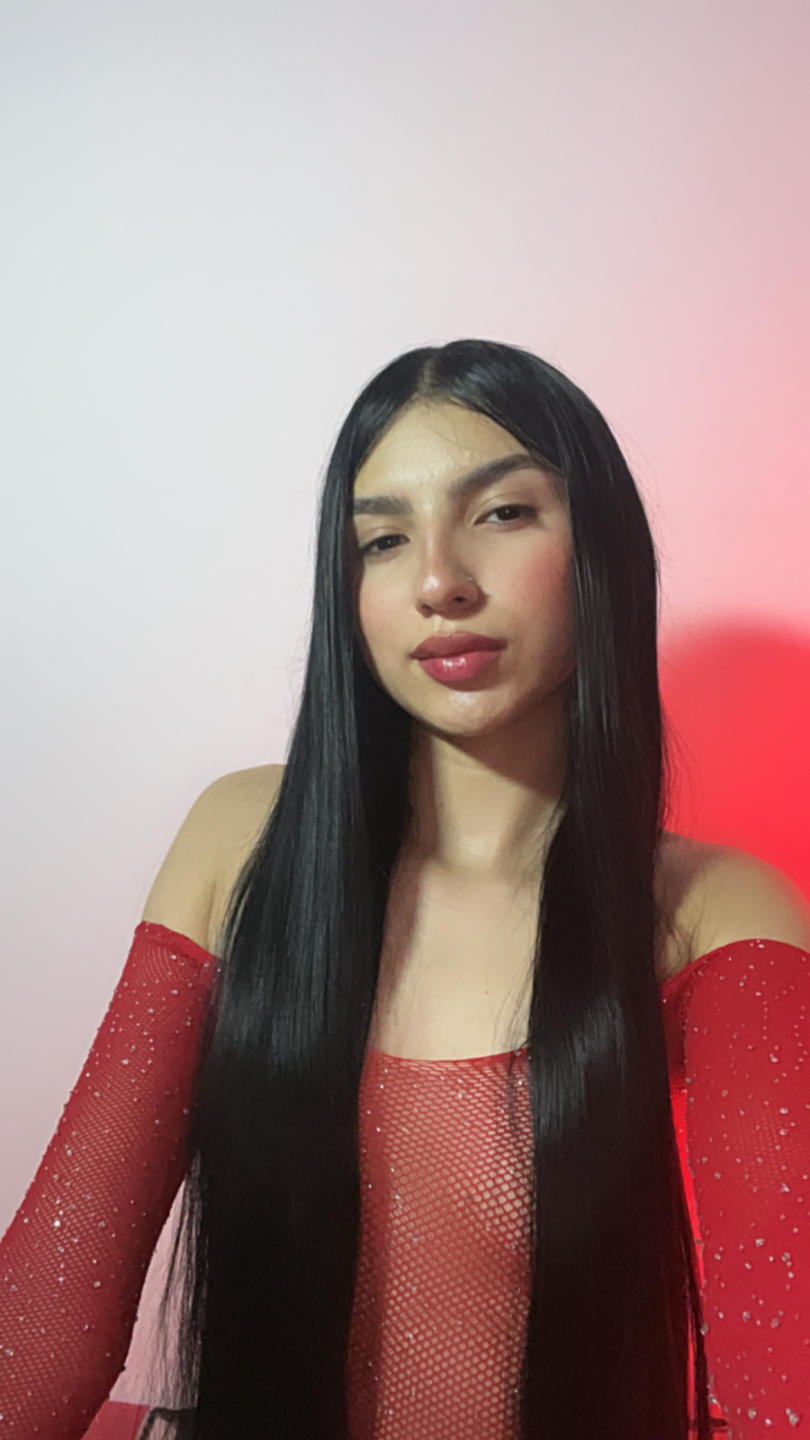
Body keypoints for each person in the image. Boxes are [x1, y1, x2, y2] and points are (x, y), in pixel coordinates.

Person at [2, 338, 809, 1440]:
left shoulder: (715, 915)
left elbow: (782, 1377)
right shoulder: (242, 839)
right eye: (383, 539)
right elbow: (46, 1321)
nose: (439, 581)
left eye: (503, 513)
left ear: (603, 550)